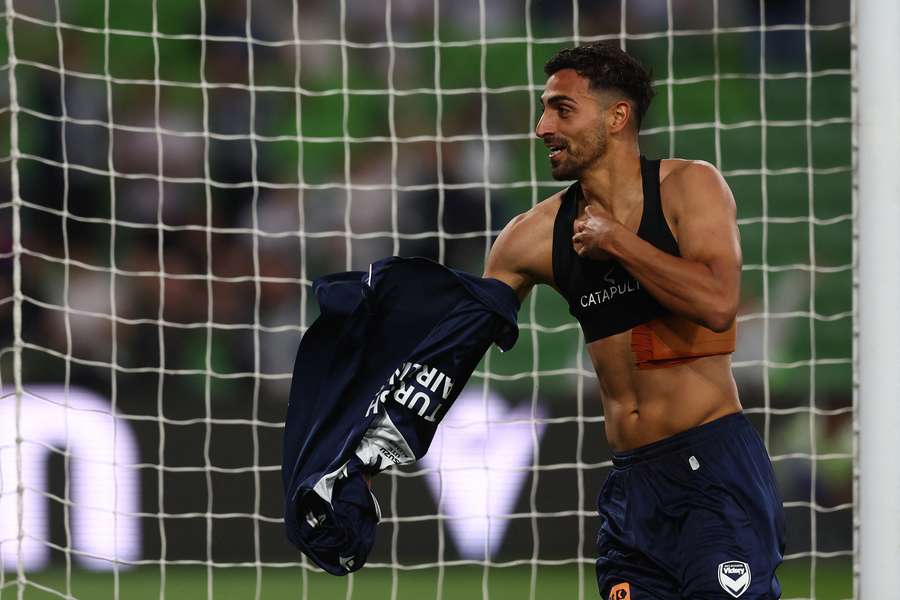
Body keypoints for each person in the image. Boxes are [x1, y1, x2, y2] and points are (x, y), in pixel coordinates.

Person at [484, 42, 785, 599]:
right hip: (632, 485)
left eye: (561, 109)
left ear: (617, 117)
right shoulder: (530, 235)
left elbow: (719, 302)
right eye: (543, 108)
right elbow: (465, 339)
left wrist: (618, 242)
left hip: (714, 469)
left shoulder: (689, 186)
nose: (541, 125)